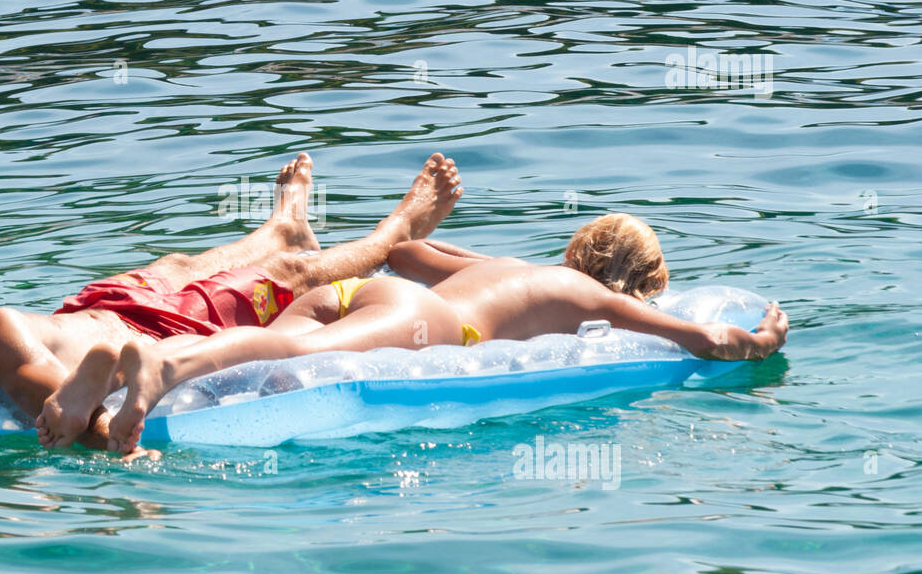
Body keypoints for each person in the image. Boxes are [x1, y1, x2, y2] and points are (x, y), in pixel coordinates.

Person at [0, 153, 464, 459]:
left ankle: (282, 221)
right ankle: (397, 229)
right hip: (150, 330)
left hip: (99, 306)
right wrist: (115, 447)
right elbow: (60, 408)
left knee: (179, 266)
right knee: (289, 274)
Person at [43, 212, 788, 453]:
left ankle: (116, 380)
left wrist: (483, 260)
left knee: (270, 357)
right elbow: (696, 339)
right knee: (297, 355)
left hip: (366, 291)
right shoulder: (592, 298)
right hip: (427, 324)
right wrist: (756, 342)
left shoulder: (519, 267)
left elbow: (405, 252)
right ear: (643, 283)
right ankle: (157, 370)